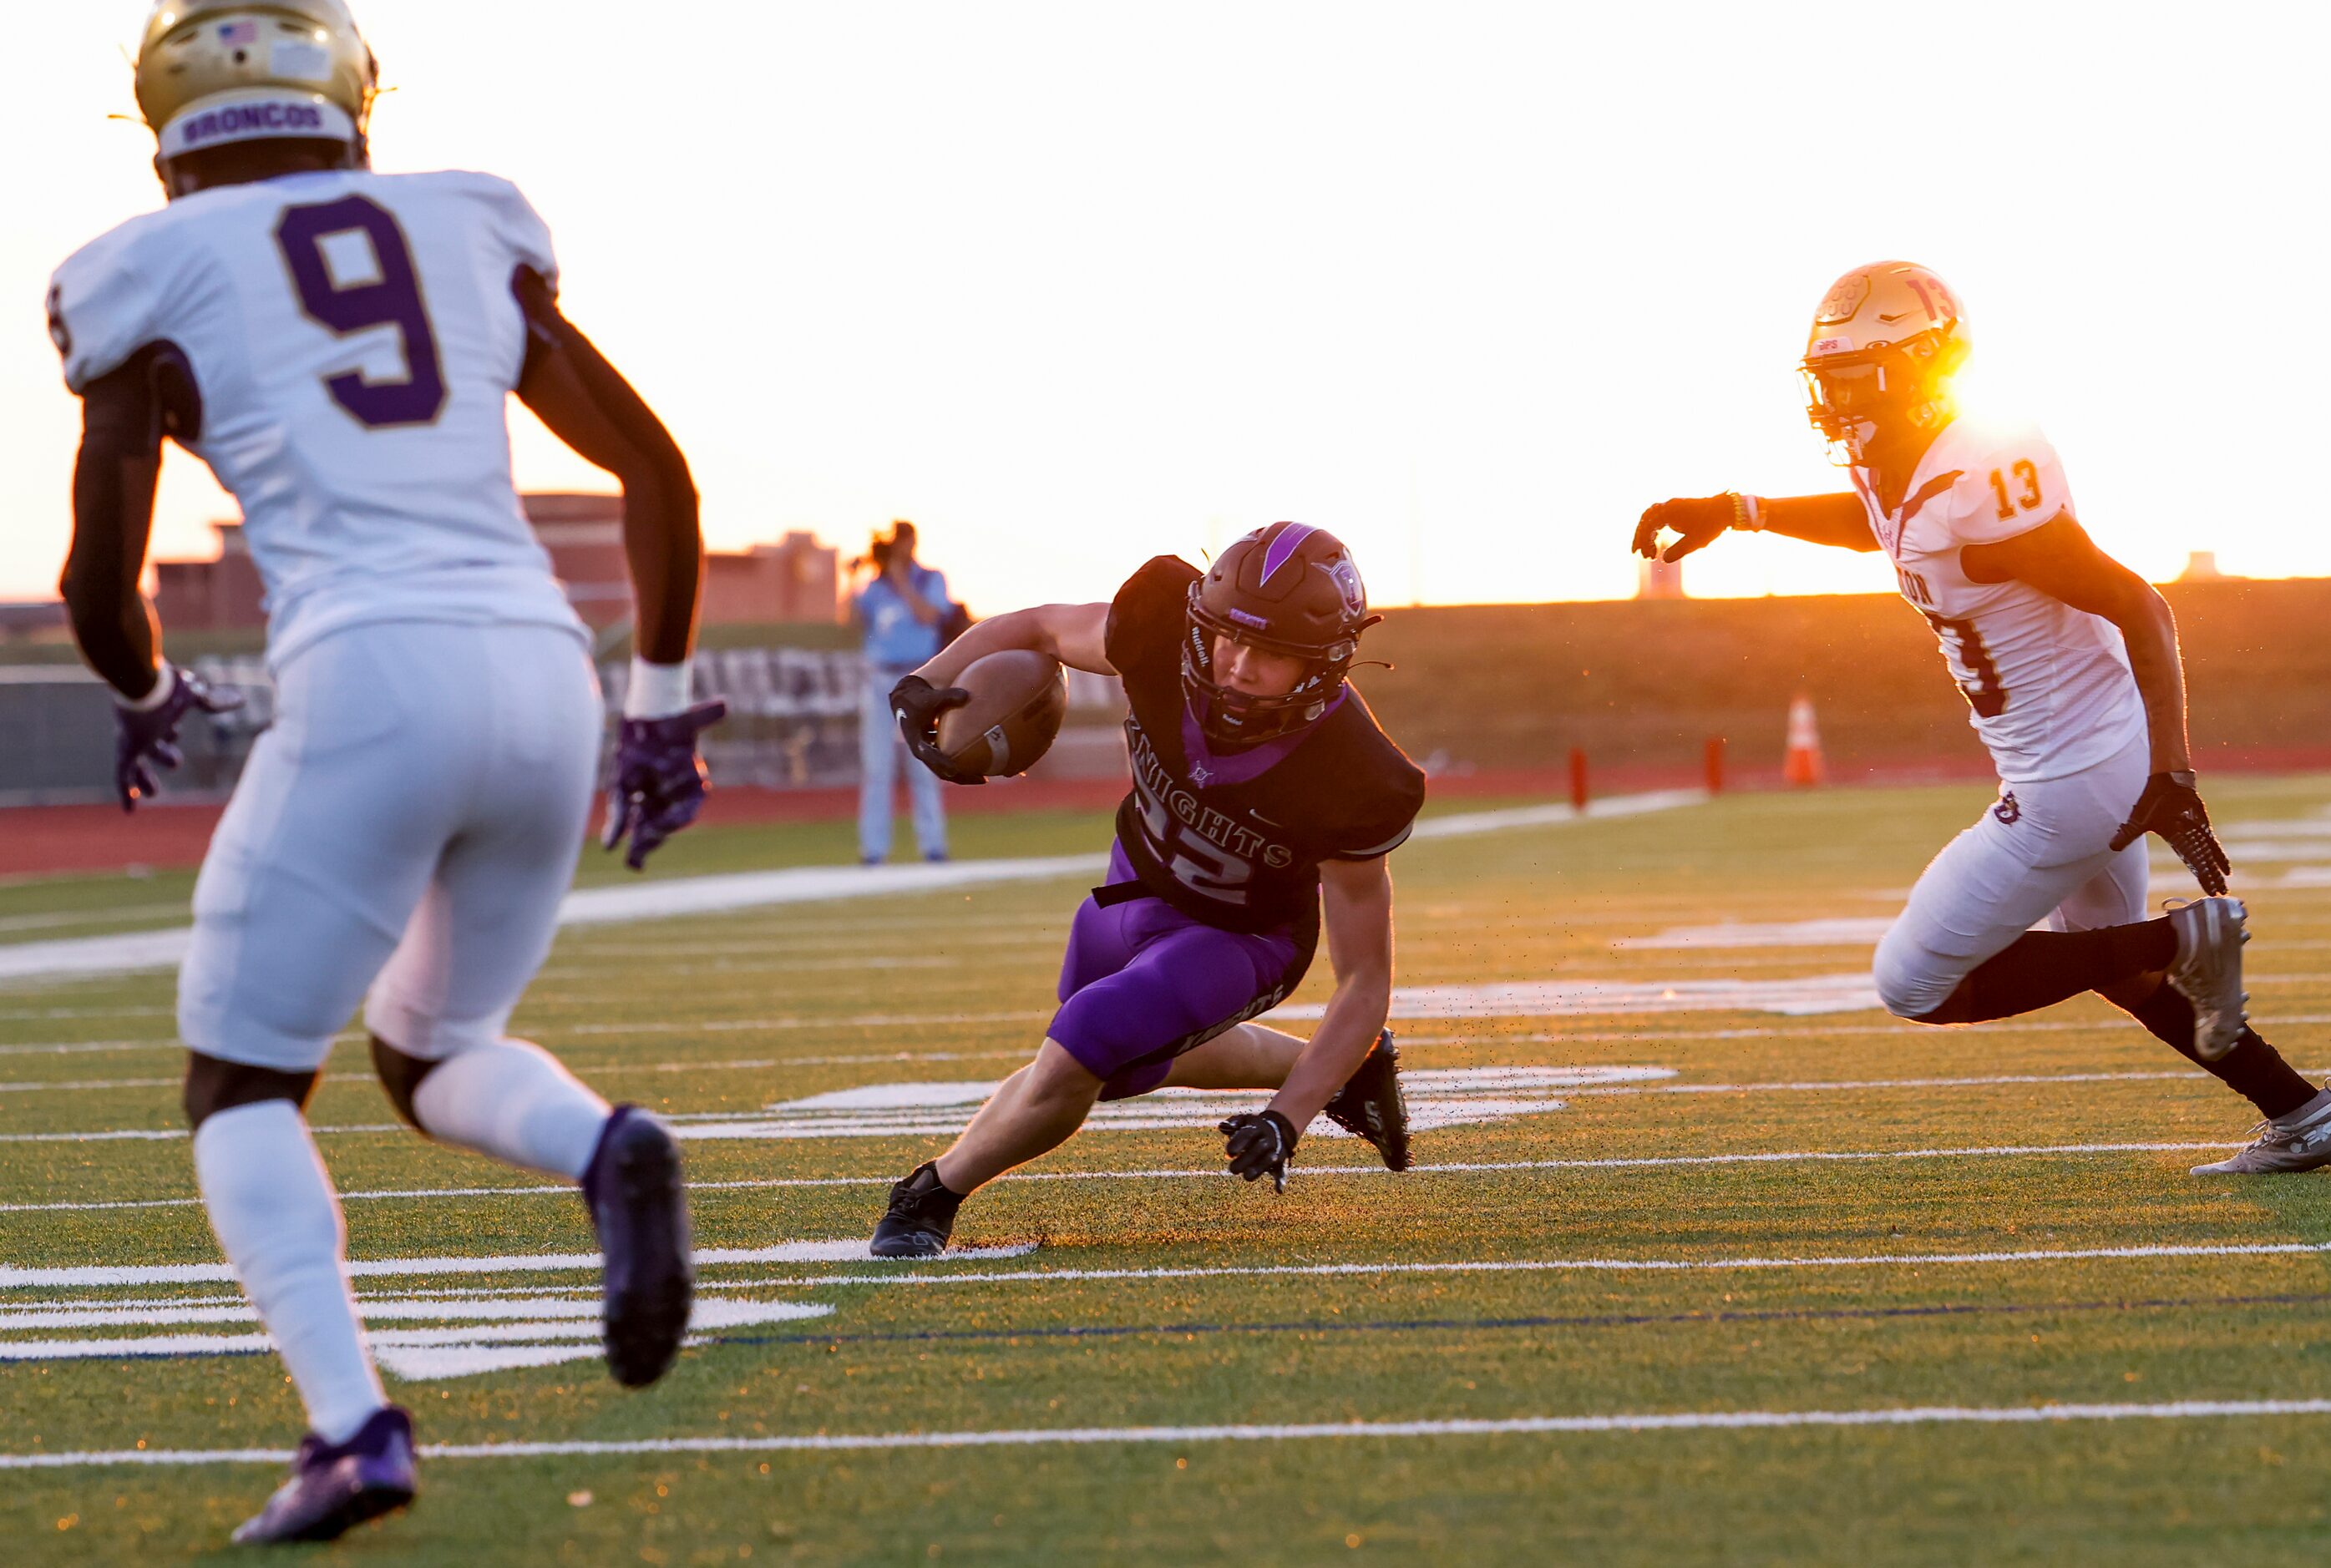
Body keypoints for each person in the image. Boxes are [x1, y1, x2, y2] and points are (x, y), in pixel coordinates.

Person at [48, 2, 722, 1543]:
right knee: (428, 1048)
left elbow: (102, 579)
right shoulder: (466, 219)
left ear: (163, 125)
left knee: (241, 1078)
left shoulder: (139, 269)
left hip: (364, 669)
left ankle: (351, 1427)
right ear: (349, 94)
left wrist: (147, 685)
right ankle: (606, 1145)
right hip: (542, 672)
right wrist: (661, 707)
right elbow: (656, 473)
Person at [1634, 260, 2329, 1177]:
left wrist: (2173, 773)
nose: (1840, 400)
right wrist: (1740, 510)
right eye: (1829, 380)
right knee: (2110, 966)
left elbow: (2139, 606)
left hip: (2072, 777)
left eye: (1860, 377)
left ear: (1926, 368)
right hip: (2080, 751)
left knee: (1913, 982)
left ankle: (2188, 936)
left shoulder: (1979, 471)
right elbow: (1883, 520)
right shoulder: (1910, 461)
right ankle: (2302, 1112)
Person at [871, 522, 1426, 1255]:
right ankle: (1346, 1071)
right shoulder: (1159, 628)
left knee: (1083, 1046)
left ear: (1322, 664)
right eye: (1229, 638)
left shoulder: (1356, 773)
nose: (1236, 664)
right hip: (1130, 890)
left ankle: (928, 1195)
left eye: (1271, 654)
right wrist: (926, 681)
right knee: (1109, 1064)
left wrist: (1285, 1118)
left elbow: (1364, 982)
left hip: (1242, 938)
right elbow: (1036, 628)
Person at [852, 521, 954, 863]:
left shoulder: (929, 579)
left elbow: (929, 616)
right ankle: (873, 849)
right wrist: (854, 578)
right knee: (876, 767)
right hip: (880, 677)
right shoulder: (875, 586)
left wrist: (900, 580)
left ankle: (933, 846)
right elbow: (848, 619)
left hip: (917, 676)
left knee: (923, 763)